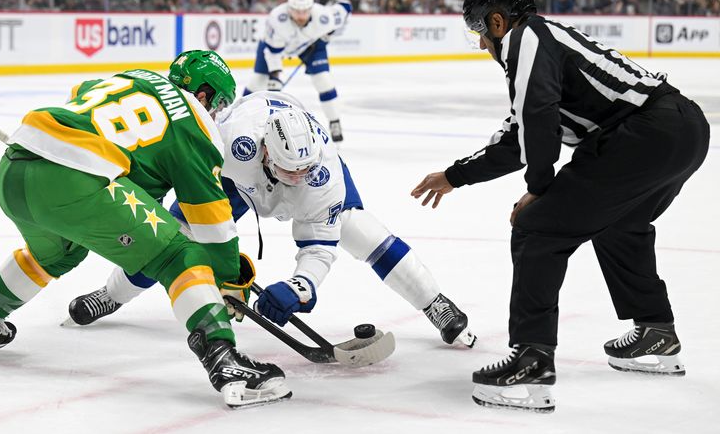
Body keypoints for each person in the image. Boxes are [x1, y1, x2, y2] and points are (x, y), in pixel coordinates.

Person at [412, 0, 709, 413]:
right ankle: (656, 332)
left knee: (536, 227)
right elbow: (518, 137)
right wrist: (456, 175)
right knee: (621, 225)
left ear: (497, 22)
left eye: (479, 31)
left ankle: (532, 360)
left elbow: (538, 116)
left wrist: (539, 190)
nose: (480, 45)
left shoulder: (525, 37)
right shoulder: (543, 41)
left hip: (644, 134)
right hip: (682, 130)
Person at [0, 50, 292, 409]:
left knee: (61, 251)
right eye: (217, 104)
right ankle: (226, 362)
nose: (215, 113)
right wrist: (229, 279)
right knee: (181, 254)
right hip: (71, 179)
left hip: (15, 166)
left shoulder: (132, 77)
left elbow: (82, 93)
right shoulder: (195, 123)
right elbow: (213, 222)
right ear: (204, 96)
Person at [68, 91, 476, 348]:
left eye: (303, 172)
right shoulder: (232, 143)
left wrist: (299, 287)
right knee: (172, 238)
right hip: (236, 182)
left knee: (360, 231)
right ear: (263, 149)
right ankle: (112, 293)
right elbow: (189, 168)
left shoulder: (322, 175)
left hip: (288, 165)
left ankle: (435, 303)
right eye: (287, 170)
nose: (296, 179)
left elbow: (319, 248)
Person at [243, 0, 352, 142]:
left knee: (323, 81)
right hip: (274, 48)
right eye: (296, 11)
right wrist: (275, 77)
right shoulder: (277, 18)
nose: (301, 16)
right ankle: (239, 114)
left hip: (311, 45)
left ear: (311, 8)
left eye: (305, 11)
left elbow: (346, 8)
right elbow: (273, 52)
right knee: (257, 82)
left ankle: (335, 122)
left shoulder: (325, 16)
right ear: (289, 8)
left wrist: (329, 33)